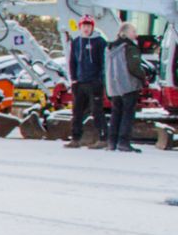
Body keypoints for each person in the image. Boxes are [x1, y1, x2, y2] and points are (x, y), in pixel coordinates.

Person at [104, 22, 151, 152]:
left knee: (115, 114)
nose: (135, 34)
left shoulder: (110, 47)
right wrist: (143, 77)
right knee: (127, 114)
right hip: (128, 85)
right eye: (133, 31)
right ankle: (123, 142)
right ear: (125, 33)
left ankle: (112, 142)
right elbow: (134, 67)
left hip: (113, 86)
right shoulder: (130, 47)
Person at [65, 15, 108, 147]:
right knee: (77, 111)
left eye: (88, 26)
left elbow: (103, 62)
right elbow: (72, 61)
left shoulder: (100, 42)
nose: (86, 29)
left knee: (96, 110)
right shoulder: (76, 41)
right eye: (84, 26)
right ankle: (75, 138)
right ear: (80, 27)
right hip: (80, 82)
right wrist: (73, 78)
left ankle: (103, 137)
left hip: (94, 82)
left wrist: (100, 79)